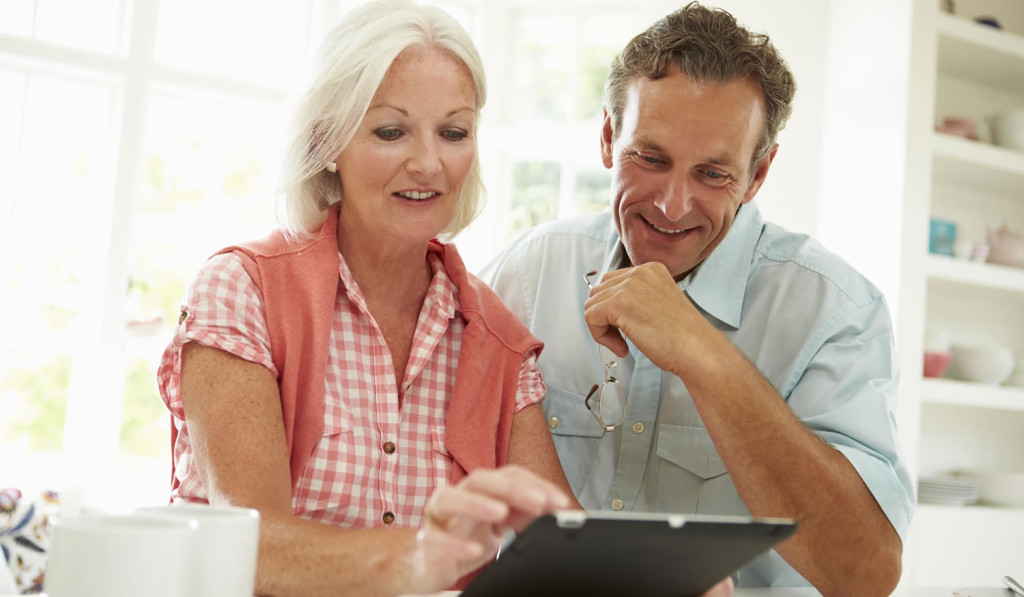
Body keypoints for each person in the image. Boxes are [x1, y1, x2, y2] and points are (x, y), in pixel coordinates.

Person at [482, 2, 914, 594]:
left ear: (758, 174)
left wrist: (702, 353)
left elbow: (865, 575)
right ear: (609, 138)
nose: (672, 204)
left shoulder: (836, 311)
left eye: (713, 174)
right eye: (650, 159)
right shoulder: (529, 272)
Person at [155, 2, 576, 595]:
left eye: (453, 132)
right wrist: (416, 559)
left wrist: (654, 581)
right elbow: (248, 545)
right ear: (329, 139)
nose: (429, 162)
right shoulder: (241, 290)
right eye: (390, 130)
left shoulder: (495, 338)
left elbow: (565, 550)